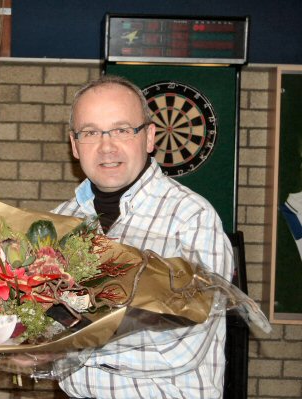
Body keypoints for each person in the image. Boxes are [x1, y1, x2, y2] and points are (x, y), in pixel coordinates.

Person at [53, 75, 234, 398]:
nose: (107, 146)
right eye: (91, 132)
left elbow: (182, 344)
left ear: (150, 137)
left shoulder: (191, 219)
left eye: (122, 130)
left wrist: (65, 351)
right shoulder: (63, 222)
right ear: (74, 145)